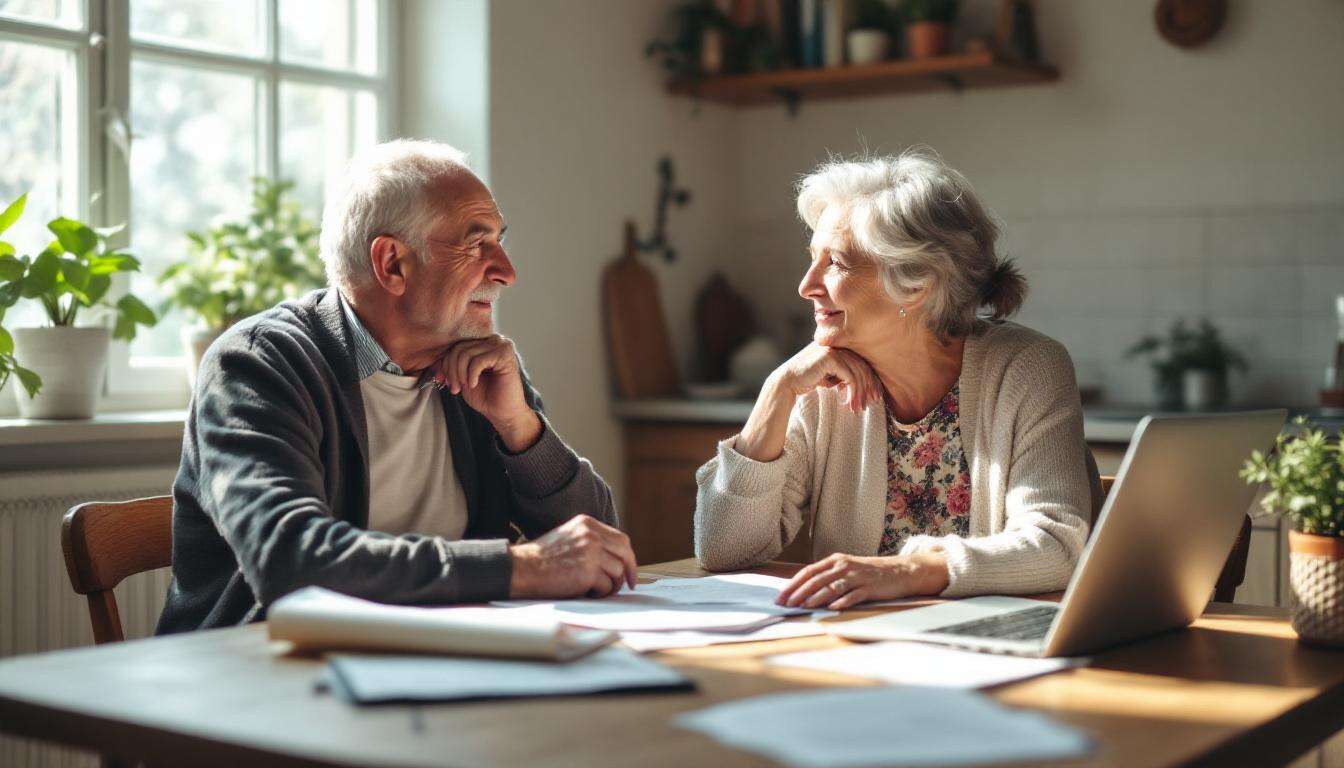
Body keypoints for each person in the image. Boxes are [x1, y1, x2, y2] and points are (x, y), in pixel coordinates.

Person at [157, 140, 635, 634]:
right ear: (391, 264)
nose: (507, 273)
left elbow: (600, 550)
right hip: (255, 675)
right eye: (476, 245)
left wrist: (521, 428)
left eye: (500, 242)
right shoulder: (258, 364)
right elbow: (292, 561)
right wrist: (522, 567)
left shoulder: (477, 362)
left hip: (437, 660)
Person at [694, 148, 1101, 611]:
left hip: (991, 647)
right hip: (856, 646)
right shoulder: (819, 383)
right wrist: (778, 391)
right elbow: (723, 550)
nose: (806, 285)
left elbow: (1054, 547)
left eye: (836, 263)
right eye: (813, 259)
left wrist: (907, 572)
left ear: (917, 281)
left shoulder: (1026, 368)